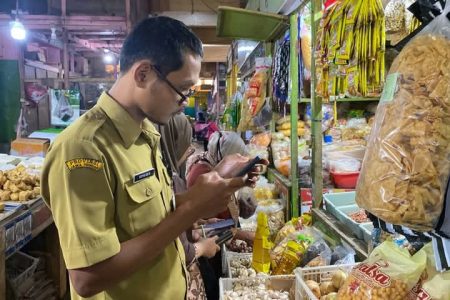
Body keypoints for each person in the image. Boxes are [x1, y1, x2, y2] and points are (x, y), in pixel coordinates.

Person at [41, 16, 265, 300]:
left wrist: (215, 183)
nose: (184, 102)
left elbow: (150, 217)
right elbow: (87, 278)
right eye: (181, 90)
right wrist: (192, 208)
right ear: (143, 74)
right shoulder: (83, 149)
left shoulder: (146, 132)